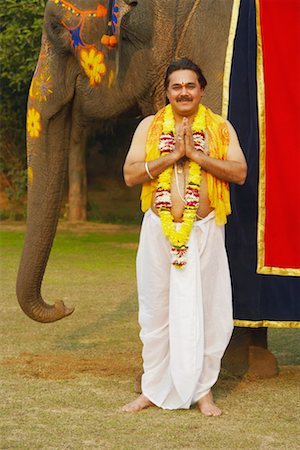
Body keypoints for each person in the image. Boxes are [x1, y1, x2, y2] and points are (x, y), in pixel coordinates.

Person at [122, 58, 247, 416]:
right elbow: (131, 175)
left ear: (202, 89)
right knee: (155, 311)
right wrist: (173, 156)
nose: (183, 92)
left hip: (204, 231)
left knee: (211, 311)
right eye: (176, 86)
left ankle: (203, 391)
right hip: (158, 232)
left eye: (190, 85)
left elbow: (239, 172)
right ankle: (153, 388)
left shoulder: (219, 128)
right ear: (167, 92)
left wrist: (197, 157)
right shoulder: (150, 126)